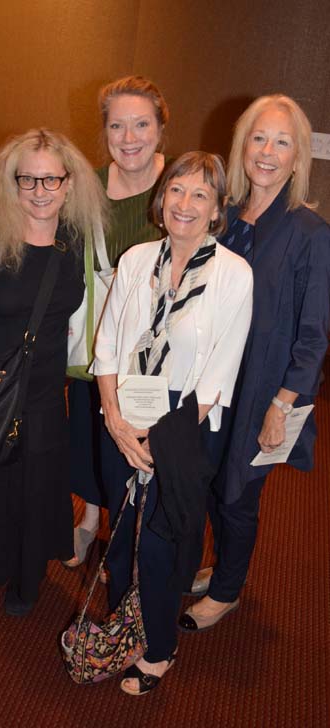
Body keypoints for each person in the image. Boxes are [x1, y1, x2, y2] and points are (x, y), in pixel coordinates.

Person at [93, 151, 253, 695]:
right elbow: (108, 343)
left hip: (183, 429)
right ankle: (124, 629)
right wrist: (115, 420)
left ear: (216, 211)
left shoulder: (235, 275)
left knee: (161, 544)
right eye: (177, 191)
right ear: (162, 200)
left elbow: (217, 379)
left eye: (201, 195)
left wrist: (156, 443)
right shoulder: (137, 259)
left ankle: (159, 648)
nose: (186, 204)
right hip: (123, 416)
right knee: (118, 540)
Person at [0, 129, 108, 616]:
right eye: (27, 178)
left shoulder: (76, 246)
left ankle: (26, 576)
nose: (40, 190)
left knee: (34, 482)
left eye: (51, 179)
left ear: (69, 183)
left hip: (47, 391)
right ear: (11, 182)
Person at [179, 96, 330, 633]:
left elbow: (314, 337)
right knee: (209, 484)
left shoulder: (310, 233)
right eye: (258, 138)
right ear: (243, 145)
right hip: (214, 385)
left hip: (266, 394)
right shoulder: (227, 221)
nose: (267, 152)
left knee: (239, 495)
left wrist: (282, 406)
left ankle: (227, 590)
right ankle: (219, 566)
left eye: (282, 142)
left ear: (297, 158)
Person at [65, 76, 169, 567]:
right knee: (89, 429)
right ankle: (89, 520)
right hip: (96, 338)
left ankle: (126, 537)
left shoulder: (181, 183)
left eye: (141, 124)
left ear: (160, 127)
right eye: (117, 126)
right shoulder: (86, 184)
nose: (129, 138)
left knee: (142, 443)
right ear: (104, 131)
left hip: (158, 348)